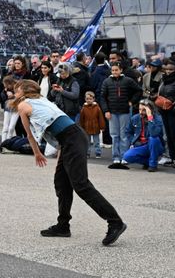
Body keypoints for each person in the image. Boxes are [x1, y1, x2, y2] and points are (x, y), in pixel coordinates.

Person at [11, 79, 126, 246]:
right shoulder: (42, 100)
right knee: (62, 183)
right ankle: (63, 225)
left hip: (72, 138)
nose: (15, 93)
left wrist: (37, 153)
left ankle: (115, 222)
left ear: (25, 91)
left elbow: (29, 134)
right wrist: (61, 150)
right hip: (71, 138)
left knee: (81, 185)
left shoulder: (23, 105)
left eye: (17, 89)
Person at [99, 62, 141, 167]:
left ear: (121, 70)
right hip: (112, 112)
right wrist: (106, 111)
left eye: (116, 70)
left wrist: (132, 101)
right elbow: (102, 97)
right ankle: (116, 157)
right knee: (114, 135)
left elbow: (138, 91)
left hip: (125, 111)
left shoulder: (128, 80)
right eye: (112, 70)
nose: (114, 72)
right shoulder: (107, 81)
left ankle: (124, 157)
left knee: (124, 135)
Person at [120, 100, 164, 171]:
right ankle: (148, 162)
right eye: (140, 109)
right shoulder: (135, 118)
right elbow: (128, 132)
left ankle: (153, 165)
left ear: (150, 110)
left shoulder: (157, 118)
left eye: (144, 110)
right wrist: (133, 141)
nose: (141, 112)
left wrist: (150, 117)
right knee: (127, 157)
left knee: (153, 139)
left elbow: (154, 133)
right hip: (140, 145)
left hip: (155, 145)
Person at [79, 91, 104, 159]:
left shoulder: (97, 108)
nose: (89, 100)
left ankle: (98, 153)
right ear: (85, 99)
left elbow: (100, 118)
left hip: (96, 127)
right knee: (87, 142)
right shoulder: (83, 108)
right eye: (87, 99)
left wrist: (102, 126)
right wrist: (81, 127)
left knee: (97, 142)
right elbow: (81, 119)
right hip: (86, 128)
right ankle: (87, 153)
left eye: (90, 99)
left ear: (93, 99)